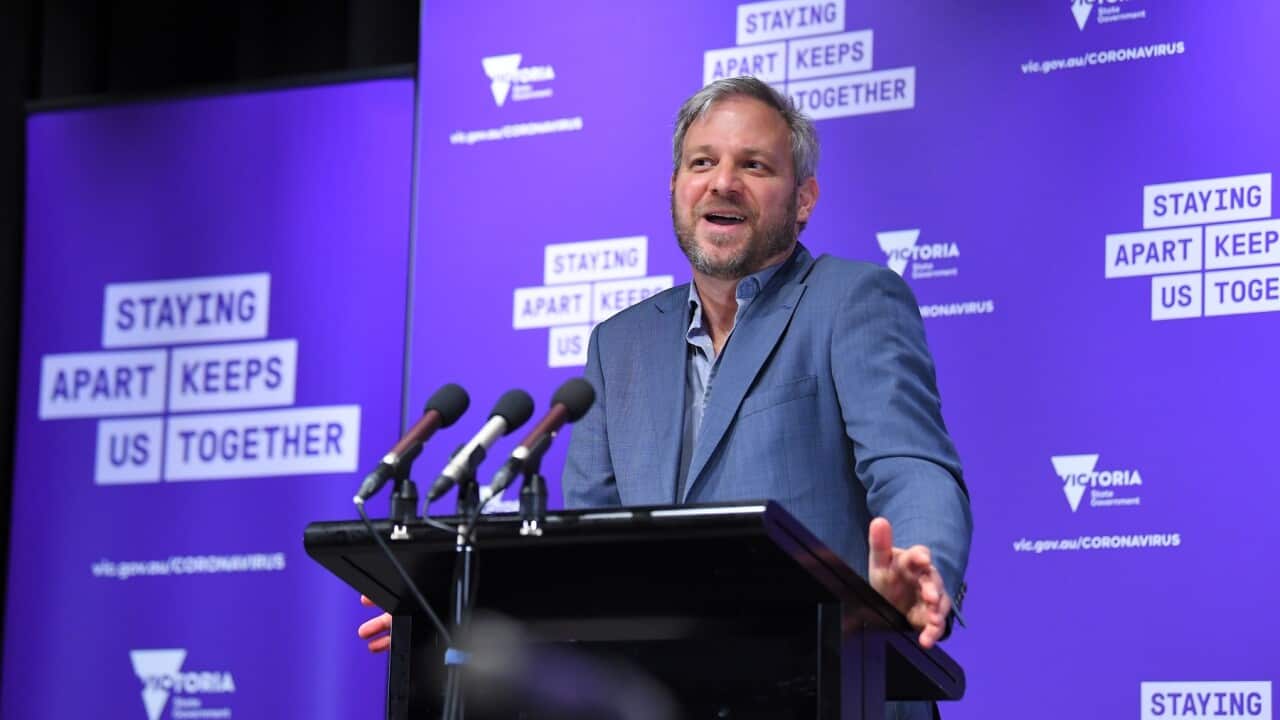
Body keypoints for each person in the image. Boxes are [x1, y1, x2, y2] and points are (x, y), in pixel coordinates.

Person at [360, 76, 971, 717]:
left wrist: (918, 565)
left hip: (832, 691)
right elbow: (588, 553)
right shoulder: (616, 346)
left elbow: (912, 465)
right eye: (701, 162)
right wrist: (452, 611)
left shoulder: (851, 300)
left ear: (804, 199)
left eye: (754, 165)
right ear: (676, 189)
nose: (723, 182)